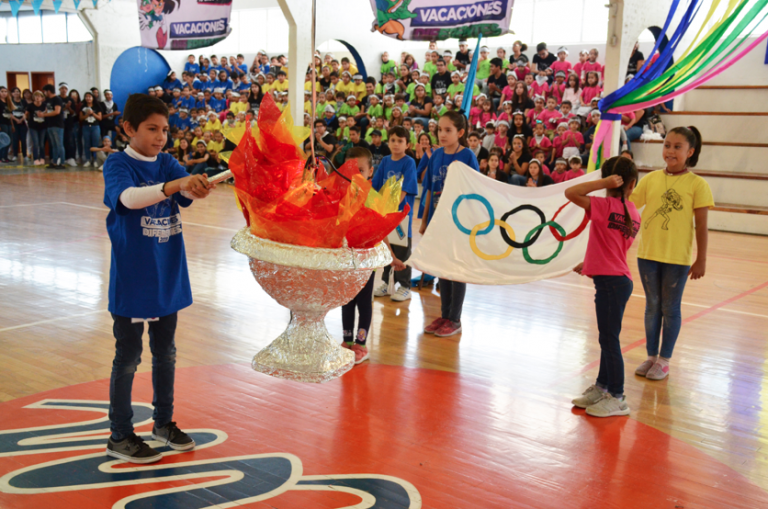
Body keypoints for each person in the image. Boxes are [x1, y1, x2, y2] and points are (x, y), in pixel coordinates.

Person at [102, 93, 214, 463]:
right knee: (129, 357)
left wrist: (195, 187)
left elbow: (184, 192)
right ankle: (120, 434)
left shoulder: (166, 162)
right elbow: (129, 199)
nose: (161, 137)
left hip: (168, 280)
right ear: (128, 128)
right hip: (135, 284)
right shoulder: (118, 164)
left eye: (165, 130)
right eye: (152, 129)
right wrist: (174, 186)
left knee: (165, 355)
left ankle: (163, 423)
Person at [630, 126, 713, 381]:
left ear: (690, 152)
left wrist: (701, 259)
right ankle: (651, 357)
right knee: (652, 306)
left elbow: (701, 226)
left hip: (677, 259)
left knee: (670, 307)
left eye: (677, 147)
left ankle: (665, 361)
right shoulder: (651, 179)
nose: (670, 151)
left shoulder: (697, 185)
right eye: (667, 145)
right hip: (648, 254)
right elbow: (629, 208)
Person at [567, 156, 641, 417]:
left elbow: (570, 191)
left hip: (612, 284)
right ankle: (602, 387)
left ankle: (618, 397)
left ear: (609, 181)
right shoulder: (633, 213)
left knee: (609, 340)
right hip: (617, 281)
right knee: (607, 338)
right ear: (632, 184)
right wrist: (589, 262)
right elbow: (614, 248)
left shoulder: (603, 205)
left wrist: (602, 182)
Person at [420, 112, 480, 337]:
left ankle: (455, 319)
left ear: (460, 133)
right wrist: (425, 221)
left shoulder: (467, 156)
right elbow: (428, 190)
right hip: (438, 221)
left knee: (456, 270)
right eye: (439, 130)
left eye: (448, 130)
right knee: (442, 268)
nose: (442, 134)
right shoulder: (435, 156)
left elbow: (475, 192)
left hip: (460, 223)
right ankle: (444, 315)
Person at [341, 147, 397, 364]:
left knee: (364, 301)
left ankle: (361, 343)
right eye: (349, 170)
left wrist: (392, 255)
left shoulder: (373, 199)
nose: (354, 175)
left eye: (360, 170)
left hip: (367, 261)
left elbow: (381, 231)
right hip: (346, 259)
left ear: (370, 171)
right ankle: (346, 340)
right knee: (346, 300)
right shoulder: (342, 196)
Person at [372, 126, 418, 302]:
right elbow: (376, 186)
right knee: (386, 248)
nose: (396, 144)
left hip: (400, 216)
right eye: (393, 140)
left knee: (402, 250)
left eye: (400, 141)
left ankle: (405, 286)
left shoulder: (409, 162)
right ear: (388, 142)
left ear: (407, 144)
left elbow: (405, 189)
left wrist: (389, 207)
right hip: (385, 214)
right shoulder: (384, 161)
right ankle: (386, 282)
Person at [40, 84, 66, 169]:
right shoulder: (48, 100)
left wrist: (44, 115)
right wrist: (42, 114)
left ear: (49, 91)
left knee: (59, 144)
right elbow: (47, 110)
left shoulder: (57, 99)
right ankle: (54, 162)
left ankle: (62, 163)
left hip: (57, 125)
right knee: (54, 145)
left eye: (45, 91)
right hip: (50, 124)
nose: (44, 93)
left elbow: (57, 111)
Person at [26, 91, 48, 166]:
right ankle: (35, 158)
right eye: (36, 96)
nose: (37, 97)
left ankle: (42, 158)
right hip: (33, 127)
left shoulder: (45, 105)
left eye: (39, 96)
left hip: (43, 126)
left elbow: (47, 113)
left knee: (41, 143)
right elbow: (26, 114)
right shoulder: (30, 106)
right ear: (33, 97)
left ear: (42, 98)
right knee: (35, 143)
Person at [8, 87, 29, 165]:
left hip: (23, 122)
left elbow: (27, 111)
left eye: (18, 92)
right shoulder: (10, 102)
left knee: (24, 139)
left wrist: (22, 119)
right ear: (12, 94)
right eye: (15, 92)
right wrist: (16, 120)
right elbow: (9, 112)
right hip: (14, 122)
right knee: (15, 139)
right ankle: (15, 155)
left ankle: (25, 155)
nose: (17, 93)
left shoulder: (23, 101)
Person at [0, 87, 12, 163]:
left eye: (5, 91)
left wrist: (13, 125)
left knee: (9, 140)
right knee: (3, 140)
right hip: (2, 123)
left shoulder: (8, 102)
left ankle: (5, 156)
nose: (4, 93)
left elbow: (10, 114)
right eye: (2, 91)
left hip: (8, 123)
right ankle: (1, 157)